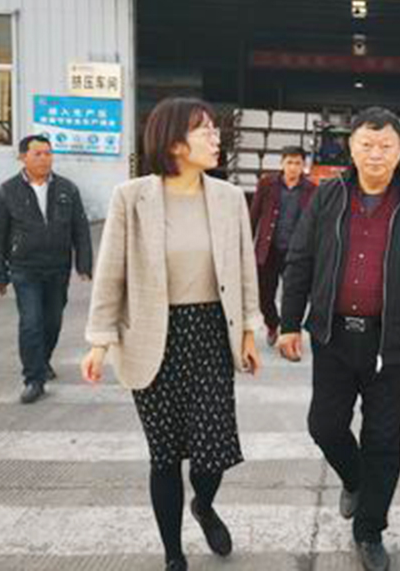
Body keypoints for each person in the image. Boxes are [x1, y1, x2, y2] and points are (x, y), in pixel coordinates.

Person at [80, 97, 262, 571]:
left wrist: (249, 329)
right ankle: (173, 553)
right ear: (175, 143)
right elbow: (111, 273)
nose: (217, 139)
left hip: (210, 336)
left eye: (216, 130)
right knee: (164, 456)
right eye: (206, 131)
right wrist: (99, 342)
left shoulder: (228, 198)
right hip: (152, 337)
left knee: (211, 454)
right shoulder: (131, 197)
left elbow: (245, 269)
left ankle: (204, 505)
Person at [277, 106, 400, 571]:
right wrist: (289, 322)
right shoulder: (327, 196)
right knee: (324, 426)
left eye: (385, 146)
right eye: (366, 145)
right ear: (351, 149)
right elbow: (300, 260)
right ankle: (356, 479)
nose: (376, 154)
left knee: (384, 439)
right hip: (333, 336)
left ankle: (370, 529)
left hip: (391, 343)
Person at [0, 134, 93, 404]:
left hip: (58, 268)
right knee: (31, 323)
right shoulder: (7, 191)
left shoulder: (67, 189)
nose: (44, 159)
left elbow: (80, 228)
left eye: (48, 153)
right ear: (23, 157)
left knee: (52, 322)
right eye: (38, 154)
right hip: (25, 268)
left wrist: (84, 263)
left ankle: (42, 360)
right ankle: (34, 379)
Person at [249, 146, 317, 346]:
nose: (293, 167)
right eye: (289, 162)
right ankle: (273, 324)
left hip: (295, 253)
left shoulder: (312, 189)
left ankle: (289, 332)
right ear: (282, 163)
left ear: (303, 166)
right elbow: (254, 215)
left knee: (293, 295)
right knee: (264, 295)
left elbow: (316, 223)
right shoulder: (267, 184)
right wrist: (246, 244)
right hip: (268, 250)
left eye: (297, 163)